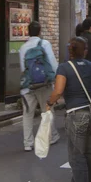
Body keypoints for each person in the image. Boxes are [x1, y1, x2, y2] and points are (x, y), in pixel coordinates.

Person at [46, 37, 91, 182]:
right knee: (89, 153)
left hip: (76, 115)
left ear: (70, 51)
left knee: (77, 156)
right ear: (85, 51)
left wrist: (50, 103)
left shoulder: (64, 68)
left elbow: (59, 90)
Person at [18, 21, 60, 151]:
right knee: (47, 111)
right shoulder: (44, 44)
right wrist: (57, 78)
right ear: (40, 31)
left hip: (28, 86)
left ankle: (27, 143)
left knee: (27, 114)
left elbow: (22, 68)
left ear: (28, 32)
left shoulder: (23, 48)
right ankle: (50, 137)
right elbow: (52, 63)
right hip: (44, 84)